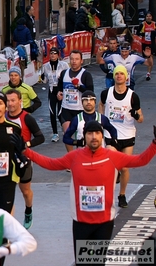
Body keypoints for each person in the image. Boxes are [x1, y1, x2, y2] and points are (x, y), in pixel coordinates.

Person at [22, 120, 156, 263]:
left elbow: (140, 160)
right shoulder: (74, 157)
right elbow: (50, 163)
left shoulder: (112, 156)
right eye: (90, 133)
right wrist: (26, 152)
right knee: (83, 262)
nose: (94, 137)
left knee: (98, 262)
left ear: (102, 136)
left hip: (104, 222)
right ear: (84, 136)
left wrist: (154, 143)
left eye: (97, 133)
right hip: (81, 222)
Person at [99, 65, 144, 208]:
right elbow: (101, 105)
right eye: (117, 74)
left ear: (126, 77)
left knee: (124, 168)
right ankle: (109, 196)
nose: (119, 76)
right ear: (114, 77)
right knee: (113, 165)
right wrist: (102, 120)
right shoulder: (107, 93)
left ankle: (122, 195)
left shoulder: (133, 96)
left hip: (128, 134)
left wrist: (136, 115)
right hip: (111, 133)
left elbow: (141, 118)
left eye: (121, 74)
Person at [5, 89, 45, 229]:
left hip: (24, 160)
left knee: (26, 191)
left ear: (20, 101)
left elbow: (40, 137)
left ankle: (28, 210)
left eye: (13, 100)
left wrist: (26, 144)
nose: (10, 104)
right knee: (8, 194)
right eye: (8, 101)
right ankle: (8, 226)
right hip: (6, 161)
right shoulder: (2, 117)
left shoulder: (27, 118)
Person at [57, 50, 94, 153]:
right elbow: (59, 87)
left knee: (82, 134)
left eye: (77, 59)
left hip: (81, 110)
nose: (74, 61)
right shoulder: (64, 73)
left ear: (81, 61)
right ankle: (71, 157)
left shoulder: (86, 74)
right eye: (72, 59)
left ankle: (83, 155)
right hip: (66, 108)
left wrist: (79, 86)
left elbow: (90, 92)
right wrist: (59, 93)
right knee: (67, 134)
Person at [41, 47, 69, 142]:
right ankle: (55, 133)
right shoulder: (46, 66)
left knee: (60, 113)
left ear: (58, 55)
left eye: (54, 53)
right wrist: (41, 77)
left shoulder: (63, 65)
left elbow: (68, 77)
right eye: (51, 53)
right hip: (52, 91)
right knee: (52, 112)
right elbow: (45, 81)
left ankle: (65, 131)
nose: (53, 55)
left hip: (61, 90)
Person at [138, 11, 155, 81]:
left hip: (152, 43)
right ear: (145, 17)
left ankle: (148, 73)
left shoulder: (154, 24)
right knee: (146, 59)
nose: (148, 17)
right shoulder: (142, 24)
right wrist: (143, 34)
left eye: (150, 16)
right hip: (145, 43)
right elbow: (138, 32)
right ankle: (148, 69)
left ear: (152, 17)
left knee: (150, 57)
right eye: (147, 16)